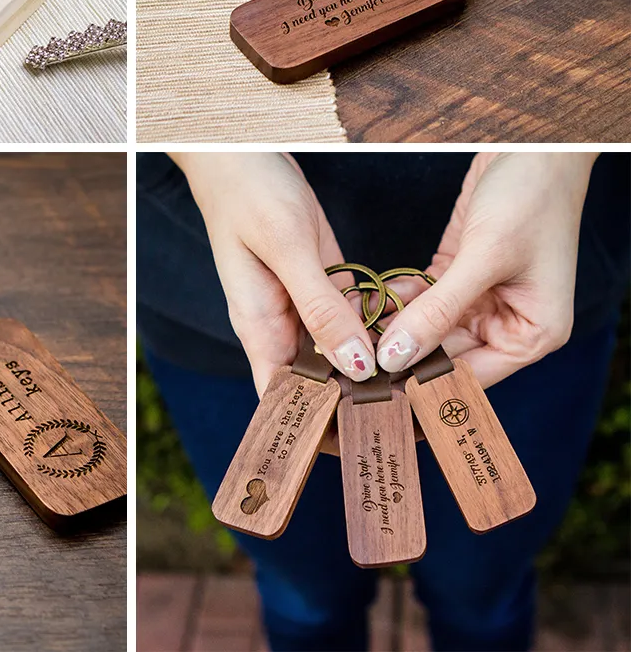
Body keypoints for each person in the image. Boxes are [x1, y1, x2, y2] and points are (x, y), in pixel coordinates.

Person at [137, 151, 629, 652]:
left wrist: (552, 159)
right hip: (233, 317)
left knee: (481, 594)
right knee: (307, 597)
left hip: (513, 309)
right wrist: (219, 163)